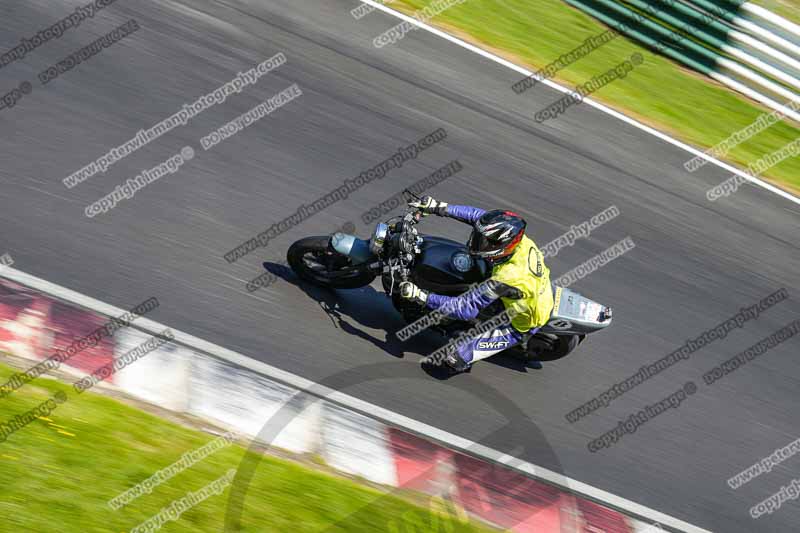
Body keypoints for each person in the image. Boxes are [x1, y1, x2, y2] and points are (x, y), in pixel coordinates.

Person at [398, 196, 555, 373]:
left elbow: (465, 309)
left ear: (503, 246)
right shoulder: (517, 239)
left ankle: (464, 360)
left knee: (454, 358)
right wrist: (439, 207)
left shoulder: (507, 277)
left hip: (524, 319)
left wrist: (421, 296)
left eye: (486, 242)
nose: (478, 242)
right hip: (528, 287)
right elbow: (477, 216)